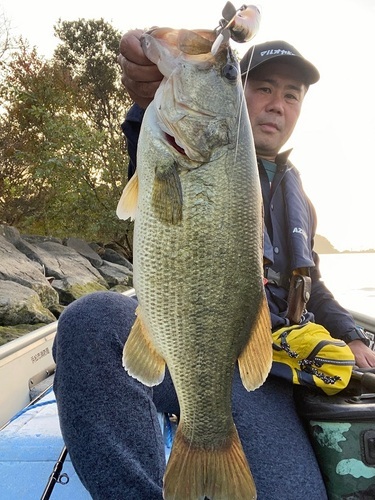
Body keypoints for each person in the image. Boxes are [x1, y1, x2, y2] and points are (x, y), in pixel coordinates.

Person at [53, 31, 375, 500]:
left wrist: (349, 334)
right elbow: (157, 157)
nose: (277, 104)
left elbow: (312, 284)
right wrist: (145, 101)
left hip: (265, 372)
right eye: (264, 88)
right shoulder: (181, 144)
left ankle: (213, 435)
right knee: (93, 321)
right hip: (179, 341)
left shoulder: (298, 195)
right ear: (240, 96)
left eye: (291, 95)